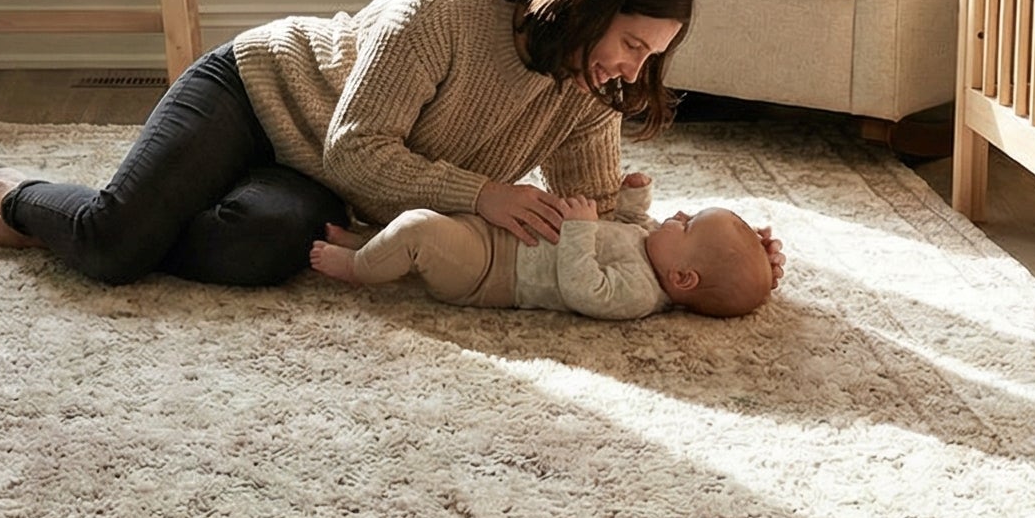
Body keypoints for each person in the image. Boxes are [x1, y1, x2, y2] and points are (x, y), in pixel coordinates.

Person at [0, 0, 786, 290]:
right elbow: (361, 151)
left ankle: (86, 214)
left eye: (650, 58)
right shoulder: (450, 2)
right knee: (113, 250)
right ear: (591, 0)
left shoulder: (591, 93)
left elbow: (600, 217)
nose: (634, 72)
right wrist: (480, 197)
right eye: (632, 42)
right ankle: (17, 195)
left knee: (263, 251)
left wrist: (714, 241)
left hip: (323, 176)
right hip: (259, 94)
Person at [308, 174, 774, 320]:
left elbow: (584, 289)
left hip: (490, 272)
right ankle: (370, 242)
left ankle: (358, 267)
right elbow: (632, 223)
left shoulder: (639, 294)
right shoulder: (654, 245)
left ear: (682, 278)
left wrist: (579, 230)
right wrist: (635, 198)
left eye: (687, 225)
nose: (677, 216)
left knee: (419, 231)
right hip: (498, 235)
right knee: (428, 222)